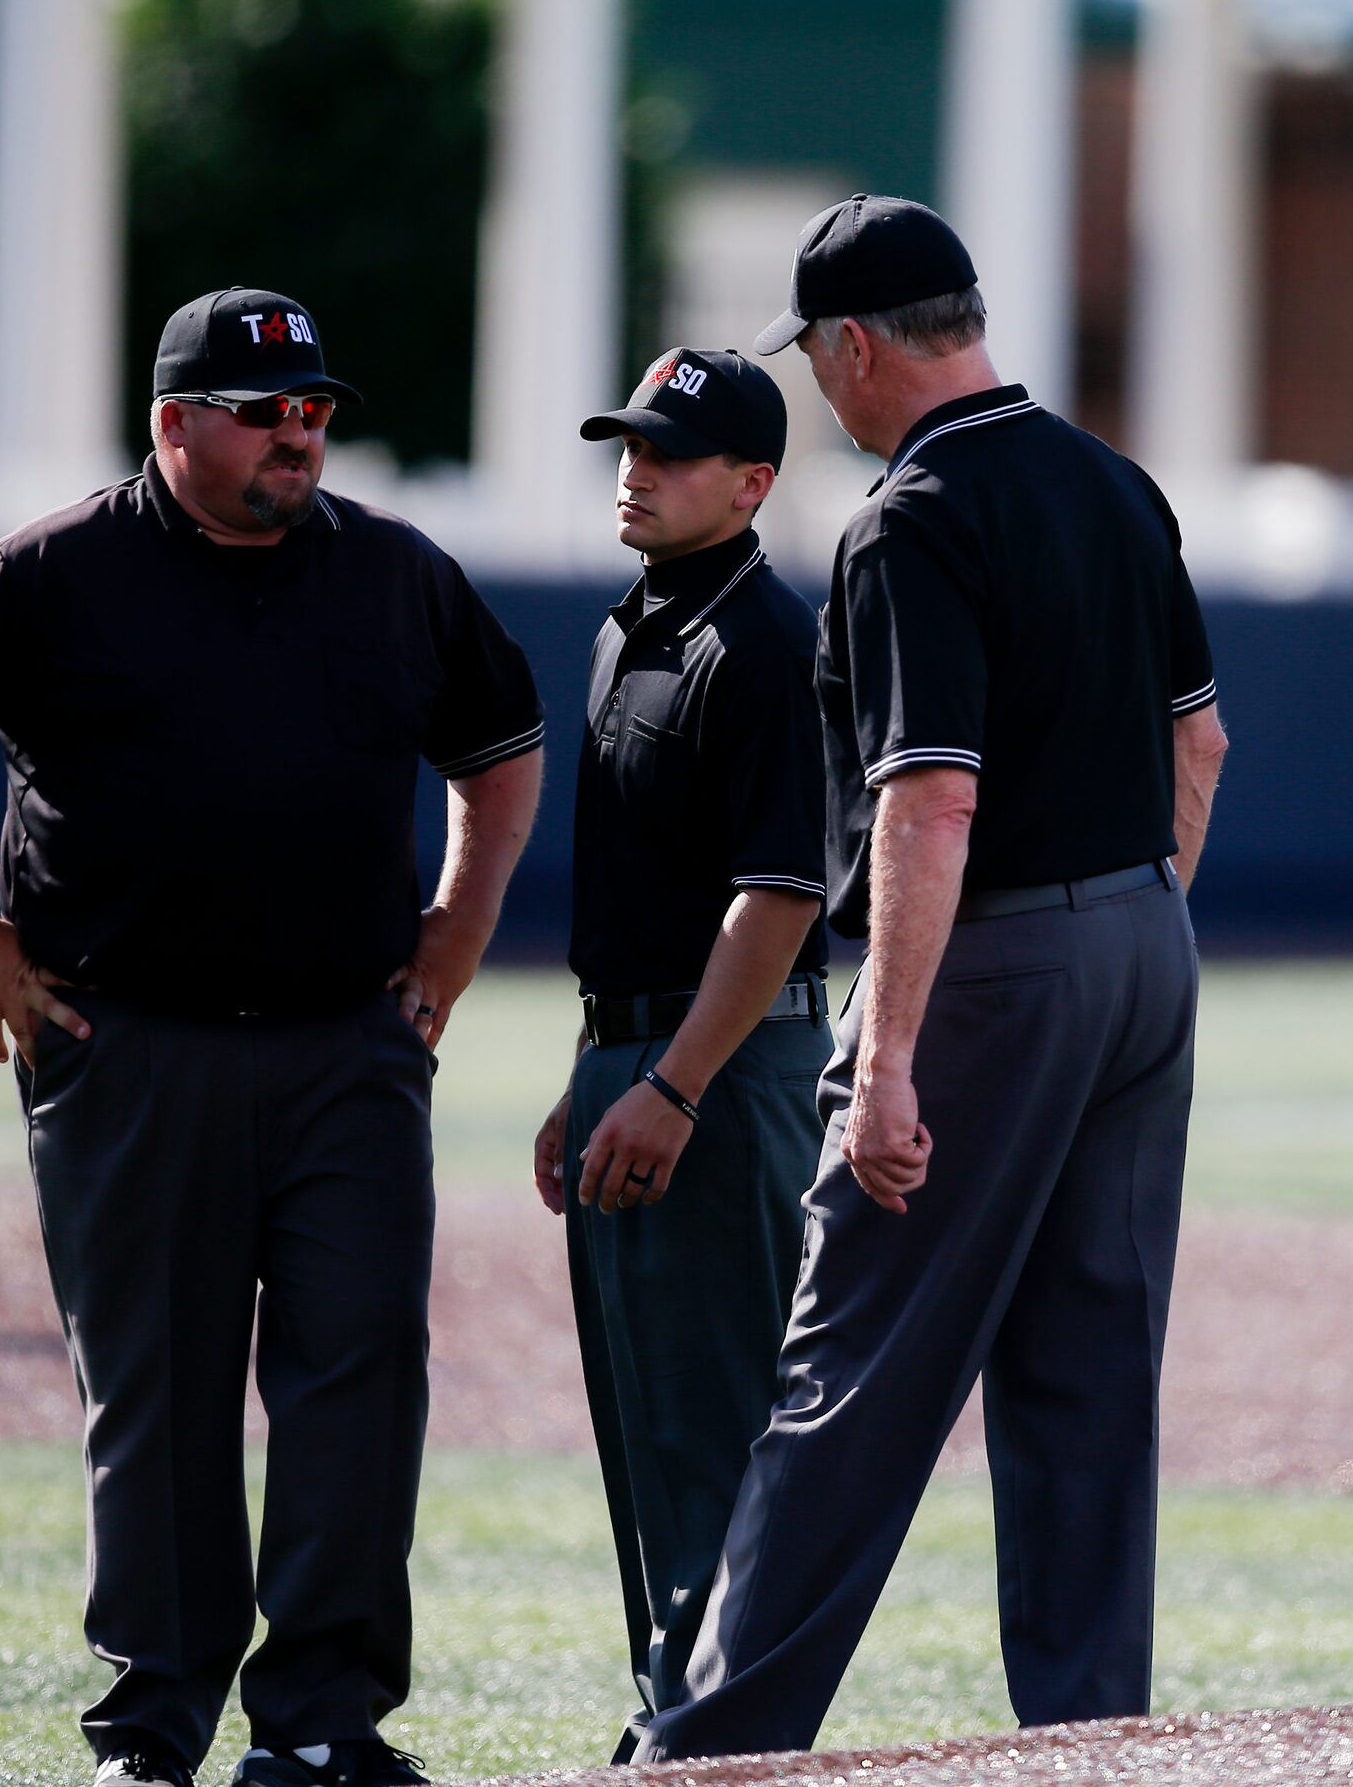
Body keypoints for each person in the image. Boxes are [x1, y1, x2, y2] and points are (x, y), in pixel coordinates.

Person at [0, 288, 545, 1787]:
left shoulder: (395, 573)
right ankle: (151, 1723)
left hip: (348, 1043)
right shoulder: (57, 568)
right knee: (155, 1393)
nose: (303, 435)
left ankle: (324, 1719)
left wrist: (456, 930)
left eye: (317, 410)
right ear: (175, 424)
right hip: (126, 1038)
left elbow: (499, 745)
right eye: (268, 411)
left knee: (358, 1373)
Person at [633, 195, 1230, 1762]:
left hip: (994, 966)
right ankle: (1089, 1738)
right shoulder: (1114, 482)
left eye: (819, 360)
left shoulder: (910, 516)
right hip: (1142, 952)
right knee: (1088, 1380)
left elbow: (929, 798)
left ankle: (710, 1747)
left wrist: (885, 1055)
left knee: (851, 1371)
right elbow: (1200, 739)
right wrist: (1137, 920)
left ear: (849, 346)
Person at [527, 346, 830, 1760]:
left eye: (670, 450)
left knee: (713, 1419)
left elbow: (777, 896)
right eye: (626, 444)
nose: (634, 469)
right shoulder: (629, 625)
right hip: (635, 1058)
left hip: (718, 1072)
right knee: (643, 1423)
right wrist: (588, 1074)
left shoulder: (762, 642)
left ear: (752, 481)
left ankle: (717, 1734)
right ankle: (676, 1710)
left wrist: (668, 1083)